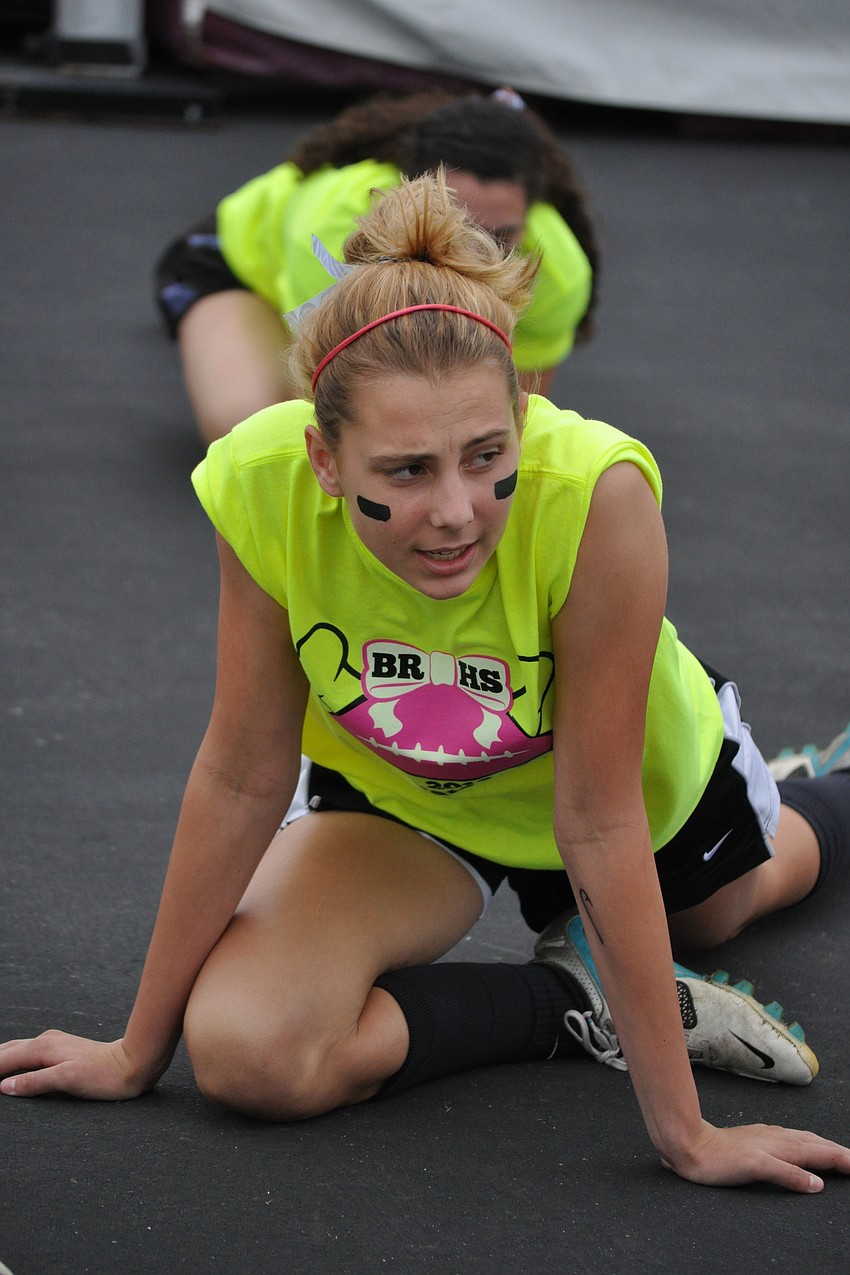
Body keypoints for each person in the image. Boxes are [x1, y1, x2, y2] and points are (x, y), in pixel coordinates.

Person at [4, 172, 850, 1194]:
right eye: (405, 472)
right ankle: (564, 999)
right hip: (410, 785)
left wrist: (688, 1136)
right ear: (322, 458)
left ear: (523, 414)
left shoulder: (597, 494)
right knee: (248, 1056)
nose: (454, 511)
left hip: (620, 778)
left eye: (484, 455)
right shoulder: (261, 484)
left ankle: (819, 784)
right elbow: (240, 772)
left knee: (737, 902)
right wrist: (136, 1051)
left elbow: (597, 819)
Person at [155, 88, 598, 445]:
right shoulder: (337, 233)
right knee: (258, 435)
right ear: (409, 192)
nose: (477, 253)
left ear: (530, 214)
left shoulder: (556, 273)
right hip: (237, 268)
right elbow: (332, 398)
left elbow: (510, 420)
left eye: (500, 237)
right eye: (459, 226)